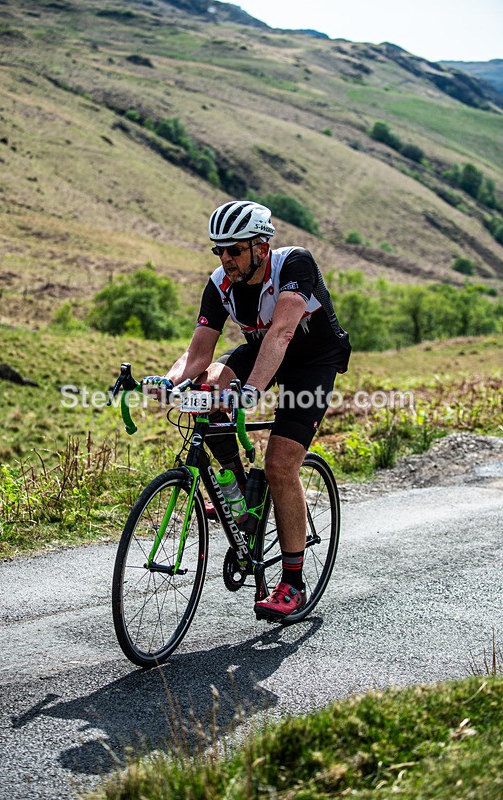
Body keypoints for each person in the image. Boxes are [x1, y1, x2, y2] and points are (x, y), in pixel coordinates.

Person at [164, 200, 351, 621]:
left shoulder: (295, 265)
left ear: (261, 247)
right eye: (219, 250)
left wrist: (250, 392)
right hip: (261, 352)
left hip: (312, 362)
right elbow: (197, 355)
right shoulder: (220, 284)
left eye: (234, 249)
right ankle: (238, 494)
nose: (225, 258)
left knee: (281, 464)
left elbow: (283, 332)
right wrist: (167, 381)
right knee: (206, 387)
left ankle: (293, 584)